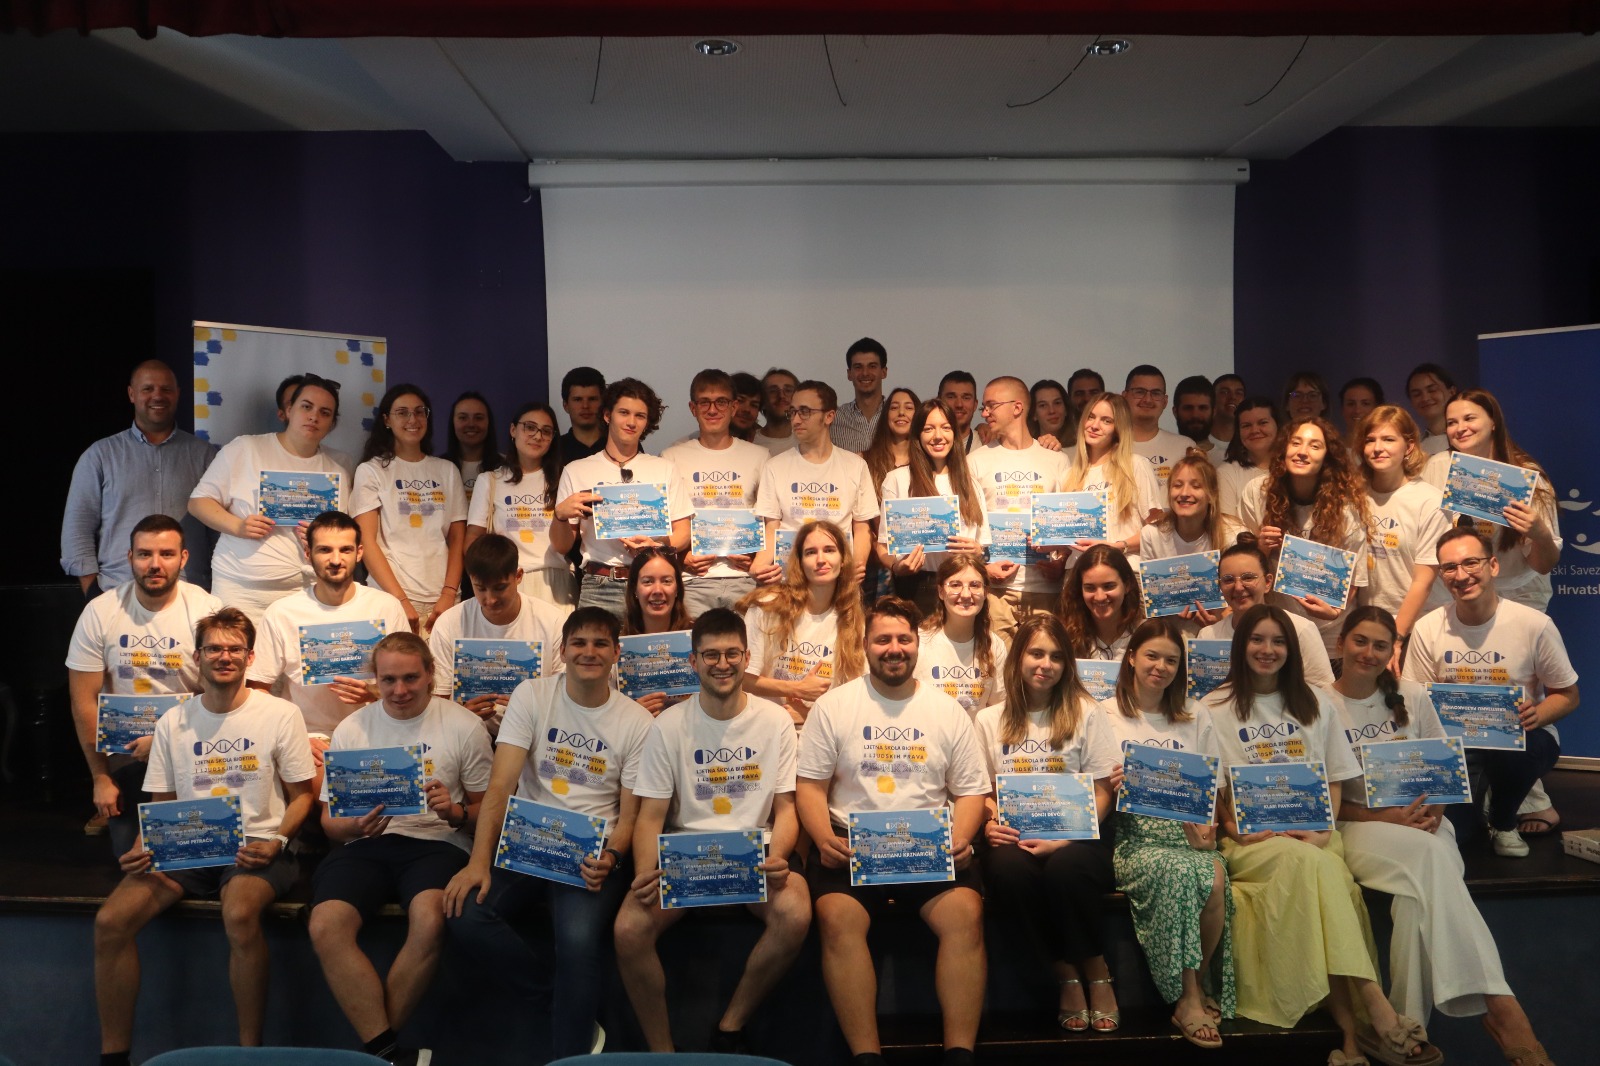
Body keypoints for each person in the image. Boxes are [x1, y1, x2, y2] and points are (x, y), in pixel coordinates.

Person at [1202, 604, 1441, 1066]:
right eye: (1257, 639)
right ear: (1240, 645)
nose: (1268, 650)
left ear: (1291, 649)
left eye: (1278, 641)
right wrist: (1233, 828)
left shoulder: (1315, 702)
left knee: (1317, 863)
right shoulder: (1212, 707)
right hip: (1252, 841)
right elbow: (1212, 791)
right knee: (1320, 869)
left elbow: (1333, 779)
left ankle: (1351, 1039)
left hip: (1313, 834)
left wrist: (1321, 829)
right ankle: (1375, 1008)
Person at [1329, 607, 1554, 1066]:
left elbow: (1444, 772)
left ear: (1393, 651)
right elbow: (1325, 799)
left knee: (1417, 893)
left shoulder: (1413, 694)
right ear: (1340, 643)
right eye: (1359, 641)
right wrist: (1383, 816)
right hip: (1356, 826)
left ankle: (1403, 1030)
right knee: (1432, 860)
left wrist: (1435, 812)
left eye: (1380, 645)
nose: (1368, 653)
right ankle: (1502, 1007)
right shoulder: (1317, 703)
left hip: (1425, 824)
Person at [93, 607, 314, 1064]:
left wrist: (278, 842)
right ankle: (113, 1058)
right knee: (110, 922)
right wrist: (141, 847)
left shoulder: (281, 713)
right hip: (188, 846)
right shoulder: (173, 722)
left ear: (250, 657)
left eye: (234, 648)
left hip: (257, 846)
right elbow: (161, 805)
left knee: (238, 912)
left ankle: (249, 1055)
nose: (224, 656)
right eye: (214, 648)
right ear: (197, 657)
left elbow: (302, 797)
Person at [443, 607, 652, 1060]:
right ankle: (556, 1002)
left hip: (591, 855)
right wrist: (478, 862)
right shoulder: (532, 695)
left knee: (577, 943)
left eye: (600, 643)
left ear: (616, 653)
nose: (589, 652)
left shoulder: (637, 721)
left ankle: (569, 1052)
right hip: (526, 845)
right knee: (465, 911)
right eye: (579, 643)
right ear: (563, 650)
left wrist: (612, 858)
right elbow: (500, 786)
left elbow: (630, 816)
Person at [796, 597, 990, 1066]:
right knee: (837, 919)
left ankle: (960, 1055)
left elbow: (970, 793)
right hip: (851, 846)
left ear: (917, 644)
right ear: (865, 645)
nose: (894, 648)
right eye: (883, 639)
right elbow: (809, 787)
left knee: (965, 914)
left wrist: (962, 839)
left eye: (904, 639)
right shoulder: (833, 706)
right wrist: (822, 839)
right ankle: (867, 1057)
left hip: (929, 847)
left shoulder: (947, 710)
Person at [613, 608, 810, 1054]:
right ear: (693, 661)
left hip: (753, 854)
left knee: (796, 911)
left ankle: (730, 1028)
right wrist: (644, 872)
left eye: (732, 654)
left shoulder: (776, 720)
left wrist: (779, 856)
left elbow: (786, 809)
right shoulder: (667, 725)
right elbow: (649, 816)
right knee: (628, 928)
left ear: (747, 658)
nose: (723, 664)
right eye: (711, 655)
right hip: (685, 857)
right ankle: (663, 1052)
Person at [308, 633, 492, 1066]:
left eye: (410, 678)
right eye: (388, 680)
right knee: (325, 925)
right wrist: (354, 825)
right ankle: (388, 1054)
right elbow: (329, 822)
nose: (400, 690)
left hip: (437, 843)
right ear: (376, 679)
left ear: (430, 675)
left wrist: (455, 812)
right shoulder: (353, 728)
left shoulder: (463, 725)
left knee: (430, 919)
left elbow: (490, 811)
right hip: (365, 845)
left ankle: (376, 1054)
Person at [975, 613, 1120, 1034]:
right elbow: (981, 791)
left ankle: (1097, 969)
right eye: (1036, 653)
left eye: (1056, 657)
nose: (1046, 664)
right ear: (1018, 657)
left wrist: (1065, 839)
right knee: (1008, 872)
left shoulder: (1086, 712)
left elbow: (1104, 791)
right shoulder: (989, 719)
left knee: (1066, 870)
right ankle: (1066, 974)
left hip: (1080, 835)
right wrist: (989, 822)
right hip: (1015, 836)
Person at [1403, 528, 1579, 857]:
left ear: (1493, 566)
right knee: (1459, 836)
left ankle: (1503, 820)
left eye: (1471, 562)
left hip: (1518, 742)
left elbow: (1569, 695)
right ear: (1442, 575)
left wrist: (1537, 714)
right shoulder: (1428, 627)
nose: (1461, 575)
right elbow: (1415, 700)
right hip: (1456, 747)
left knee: (1526, 749)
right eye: (1450, 567)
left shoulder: (1534, 624)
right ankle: (1477, 809)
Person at [1101, 618, 1234, 1049]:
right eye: (1152, 656)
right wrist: (1112, 784)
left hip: (1188, 831)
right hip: (1134, 835)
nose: (1161, 667)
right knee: (1180, 872)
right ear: (1131, 658)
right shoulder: (1103, 713)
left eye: (1171, 661)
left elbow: (1210, 789)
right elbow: (1093, 787)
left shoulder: (1195, 714)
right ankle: (1190, 997)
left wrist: (1207, 834)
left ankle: (1194, 984)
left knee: (1214, 875)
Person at [66, 515, 222, 852]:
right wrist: (101, 778)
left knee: (193, 848)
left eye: (166, 554)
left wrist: (167, 739)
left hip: (193, 745)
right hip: (128, 753)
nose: (155, 564)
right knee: (135, 855)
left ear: (183, 558)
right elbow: (83, 702)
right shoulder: (99, 612)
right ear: (130, 557)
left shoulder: (207, 610)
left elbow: (221, 694)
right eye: (144, 554)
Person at [189, 373, 352, 626]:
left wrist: (321, 535)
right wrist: (238, 526)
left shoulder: (339, 468)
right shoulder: (245, 448)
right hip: (241, 588)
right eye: (306, 407)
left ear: (332, 423)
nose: (314, 417)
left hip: (306, 590)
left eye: (325, 412)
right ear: (288, 410)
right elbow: (199, 502)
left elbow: (343, 531)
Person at [248, 511, 410, 761]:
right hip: (311, 736)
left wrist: (374, 693)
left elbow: (412, 681)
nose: (336, 560)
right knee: (321, 783)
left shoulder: (386, 607)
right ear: (308, 553)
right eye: (324, 550)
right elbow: (258, 689)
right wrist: (295, 736)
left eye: (345, 550)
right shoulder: (282, 613)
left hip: (378, 728)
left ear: (359, 553)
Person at [63, 360, 218, 596]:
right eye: (147, 389)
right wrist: (92, 592)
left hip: (191, 594)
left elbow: (218, 532)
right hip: (118, 592)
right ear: (131, 394)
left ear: (177, 394)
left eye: (166, 389)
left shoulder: (206, 456)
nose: (158, 396)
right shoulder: (100, 456)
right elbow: (77, 529)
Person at [552, 377, 693, 619]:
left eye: (640, 416)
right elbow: (562, 546)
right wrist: (560, 516)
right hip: (600, 585)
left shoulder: (664, 468)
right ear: (607, 415)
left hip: (652, 583)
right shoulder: (577, 470)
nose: (631, 422)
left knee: (654, 645)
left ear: (647, 422)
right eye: (624, 413)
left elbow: (683, 532)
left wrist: (657, 544)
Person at [1238, 415, 1371, 654]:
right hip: (1276, 626)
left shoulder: (1347, 507)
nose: (1302, 452)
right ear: (1284, 449)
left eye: (1315, 446)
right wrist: (1261, 549)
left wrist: (1335, 612)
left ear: (1327, 457)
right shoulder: (1257, 493)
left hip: (1330, 632)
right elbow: (1241, 563)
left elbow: (1355, 574)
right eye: (1296, 443)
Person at [1421, 387, 1561, 611]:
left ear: (1493, 421)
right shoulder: (1436, 467)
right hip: (1456, 594)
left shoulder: (1524, 477)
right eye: (1452, 422)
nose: (1460, 428)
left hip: (1518, 595)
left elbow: (1544, 565)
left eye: (1469, 418)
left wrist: (1540, 535)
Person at [351, 384, 468, 635]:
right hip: (391, 597)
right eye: (402, 412)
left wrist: (449, 593)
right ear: (386, 420)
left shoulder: (447, 470)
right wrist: (400, 600)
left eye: (419, 412)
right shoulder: (371, 471)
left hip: (444, 600)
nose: (412, 419)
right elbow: (366, 541)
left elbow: (458, 539)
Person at [427, 533, 571, 736]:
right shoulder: (449, 623)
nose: (490, 599)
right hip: (468, 733)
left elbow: (564, 697)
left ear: (518, 576)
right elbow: (437, 701)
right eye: (480, 588)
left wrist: (531, 710)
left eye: (499, 588)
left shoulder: (553, 622)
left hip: (537, 732)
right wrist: (461, 714)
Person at [663, 369, 771, 615]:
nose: (713, 410)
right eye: (705, 402)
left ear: (733, 407)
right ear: (693, 408)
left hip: (745, 579)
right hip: (692, 580)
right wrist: (680, 558)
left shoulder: (759, 456)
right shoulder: (671, 457)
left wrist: (756, 555)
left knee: (747, 641)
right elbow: (666, 523)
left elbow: (771, 520)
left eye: (721, 402)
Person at [740, 519, 866, 727]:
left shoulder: (853, 618)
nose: (820, 560)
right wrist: (796, 689)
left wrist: (811, 716)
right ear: (799, 562)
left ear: (843, 559)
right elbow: (742, 679)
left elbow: (857, 694)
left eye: (829, 550)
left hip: (824, 728)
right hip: (768, 726)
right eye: (810, 552)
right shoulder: (766, 607)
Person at [751, 380, 878, 583]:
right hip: (791, 577)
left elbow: (862, 528)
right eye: (792, 412)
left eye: (805, 412)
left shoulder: (855, 465)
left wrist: (857, 564)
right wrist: (759, 564)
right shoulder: (775, 466)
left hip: (840, 578)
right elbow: (772, 527)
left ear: (829, 416)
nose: (796, 419)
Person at [967, 376, 1070, 618]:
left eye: (991, 405)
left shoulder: (1057, 459)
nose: (985, 413)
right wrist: (984, 567)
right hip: (995, 592)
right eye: (984, 407)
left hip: (1046, 590)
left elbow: (1068, 524)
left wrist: (1061, 562)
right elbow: (969, 526)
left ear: (1017, 407)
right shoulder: (974, 461)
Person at [878, 399, 989, 608]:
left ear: (954, 434)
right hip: (916, 586)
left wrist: (977, 551)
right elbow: (883, 546)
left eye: (945, 428)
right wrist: (897, 566)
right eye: (928, 429)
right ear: (918, 435)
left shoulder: (971, 484)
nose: (938, 436)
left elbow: (983, 546)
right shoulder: (897, 479)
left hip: (963, 584)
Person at [466, 400, 574, 606]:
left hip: (555, 582)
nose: (537, 436)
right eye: (530, 427)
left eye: (546, 431)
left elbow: (564, 546)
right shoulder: (490, 480)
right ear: (513, 430)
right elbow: (473, 537)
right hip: (505, 580)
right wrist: (485, 578)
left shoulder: (564, 478)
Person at [1358, 405, 1451, 641]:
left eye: (1388, 439)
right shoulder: (1354, 497)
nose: (1378, 448)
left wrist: (1396, 637)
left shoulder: (1430, 501)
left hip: (1419, 628)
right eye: (1370, 440)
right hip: (1368, 624)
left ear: (1408, 446)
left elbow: (1423, 580)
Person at [1199, 544, 1336, 689]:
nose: (1238, 587)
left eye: (1248, 577)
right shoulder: (1207, 637)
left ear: (1268, 582)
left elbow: (1323, 691)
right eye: (1228, 580)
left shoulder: (1300, 629)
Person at [1060, 393, 1164, 562]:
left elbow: (1157, 528)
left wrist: (1117, 546)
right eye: (1091, 417)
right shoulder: (1067, 476)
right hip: (1077, 570)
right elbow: (1064, 541)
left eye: (1106, 421)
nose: (1095, 426)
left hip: (1123, 567)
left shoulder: (1135, 465)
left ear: (1118, 429)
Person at [915, 554, 1008, 718]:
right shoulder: (918, 641)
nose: (966, 594)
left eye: (975, 585)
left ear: (985, 592)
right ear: (941, 591)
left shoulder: (995, 645)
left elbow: (997, 708)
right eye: (955, 585)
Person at [622, 547, 695, 716]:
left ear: (678, 589)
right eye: (647, 581)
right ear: (634, 589)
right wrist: (631, 713)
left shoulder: (699, 640)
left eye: (666, 581)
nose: (657, 590)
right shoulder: (618, 648)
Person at [1139, 454, 1240, 564]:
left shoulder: (1233, 536)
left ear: (1212, 494)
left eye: (1196, 486)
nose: (1184, 493)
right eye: (1177, 485)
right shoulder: (1151, 535)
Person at [1060, 544, 1143, 661]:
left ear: (1127, 585)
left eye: (1108, 586)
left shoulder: (1146, 635)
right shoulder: (1065, 637)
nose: (1100, 597)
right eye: (1090, 588)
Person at [1122, 365, 1193, 488]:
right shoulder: (1107, 447)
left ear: (1165, 401)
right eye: (1140, 392)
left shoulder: (1184, 448)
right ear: (1124, 397)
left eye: (1156, 393)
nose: (1148, 400)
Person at [1217, 396, 1281, 521]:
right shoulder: (1227, 472)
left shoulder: (1293, 467)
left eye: (1263, 423)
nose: (1255, 430)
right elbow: (1227, 526)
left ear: (1277, 425)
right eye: (1246, 425)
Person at [443, 391, 503, 505]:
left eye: (478, 418)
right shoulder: (438, 468)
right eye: (463, 418)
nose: (471, 424)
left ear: (488, 423)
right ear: (453, 423)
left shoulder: (507, 467)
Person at [831, 337, 889, 453]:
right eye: (858, 367)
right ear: (849, 374)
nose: (865, 373)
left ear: (884, 372)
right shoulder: (833, 420)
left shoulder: (897, 417)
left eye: (872, 366)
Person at [1405, 363, 1458, 456]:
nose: (1425, 398)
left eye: (1432, 390)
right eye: (1417, 394)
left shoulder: (1465, 438)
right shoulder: (1412, 448)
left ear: (1452, 392)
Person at [558, 366, 607, 464]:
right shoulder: (554, 450)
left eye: (592, 399)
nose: (585, 406)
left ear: (603, 403)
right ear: (565, 405)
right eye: (578, 399)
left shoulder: (620, 445)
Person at [753, 367, 800, 456]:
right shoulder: (749, 441)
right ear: (763, 400)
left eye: (788, 390)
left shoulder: (807, 443)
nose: (781, 396)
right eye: (773, 391)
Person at [937, 371, 981, 453]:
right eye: (951, 397)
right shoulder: (925, 445)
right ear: (938, 401)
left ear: (975, 404)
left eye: (966, 398)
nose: (959, 404)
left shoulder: (987, 445)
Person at [1171, 375, 1215, 452]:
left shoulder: (1228, 458)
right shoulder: (1161, 455)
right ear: (1175, 412)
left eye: (1202, 408)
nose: (1195, 415)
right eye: (1188, 408)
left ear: (1214, 412)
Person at [1027, 378, 1073, 451]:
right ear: (1034, 414)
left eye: (1057, 403)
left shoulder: (1081, 448)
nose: (1052, 411)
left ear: (1066, 408)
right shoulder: (1027, 450)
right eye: (1043, 405)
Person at [1339, 378, 1384, 448]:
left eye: (1365, 404)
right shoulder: (1332, 448)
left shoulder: (1385, 448)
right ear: (1342, 408)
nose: (1357, 410)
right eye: (1351, 404)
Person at [1209, 373, 1246, 453]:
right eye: (1225, 392)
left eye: (1239, 393)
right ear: (1212, 398)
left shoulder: (1250, 443)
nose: (1233, 397)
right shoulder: (1197, 442)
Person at [730, 372, 764, 442]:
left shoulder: (763, 445)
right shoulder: (707, 441)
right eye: (740, 401)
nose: (747, 409)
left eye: (754, 405)